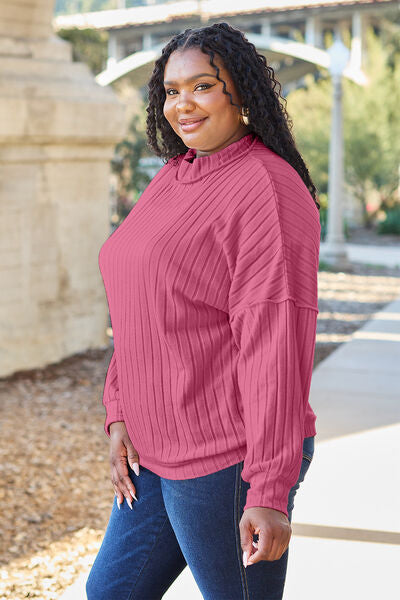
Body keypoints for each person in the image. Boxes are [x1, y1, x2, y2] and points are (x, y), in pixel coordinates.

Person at [86, 22, 320, 600]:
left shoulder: (267, 188)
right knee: (110, 592)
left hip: (226, 460)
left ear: (241, 92)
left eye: (202, 87)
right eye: (171, 91)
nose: (182, 104)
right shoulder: (175, 175)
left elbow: (276, 343)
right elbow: (139, 308)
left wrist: (268, 489)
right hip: (154, 453)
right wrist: (120, 411)